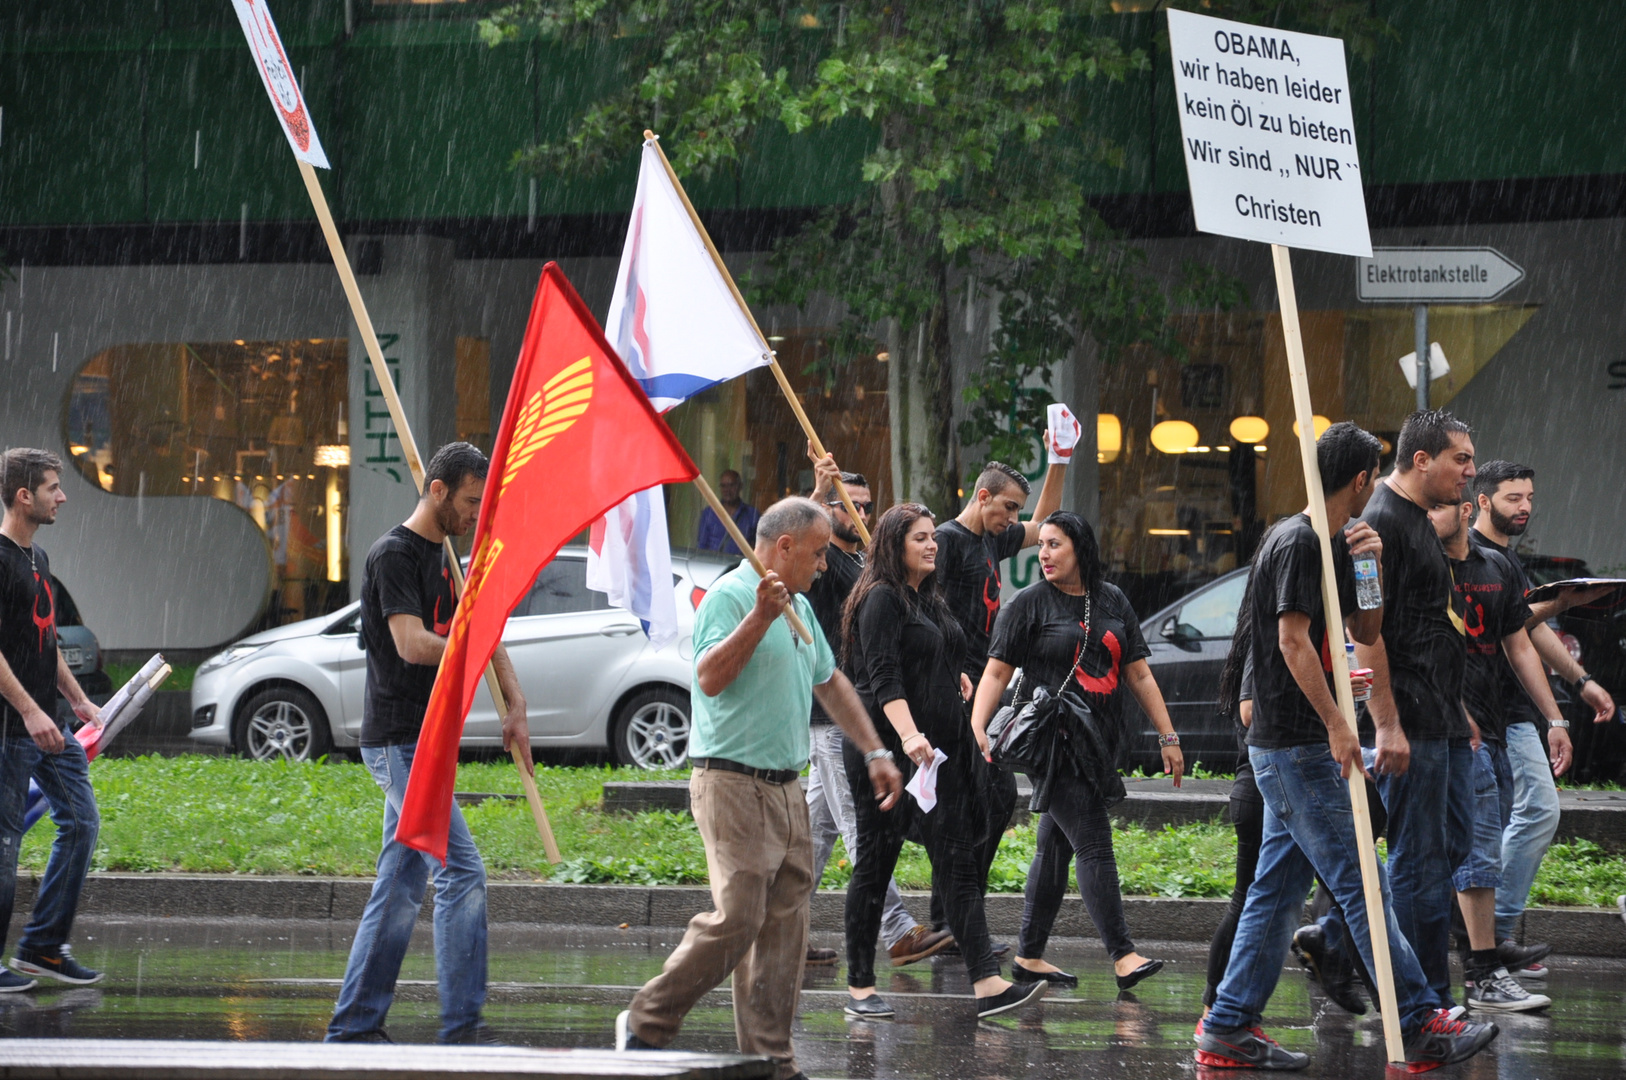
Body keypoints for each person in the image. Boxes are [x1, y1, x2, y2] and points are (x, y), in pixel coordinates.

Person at [1196, 421, 1498, 1072]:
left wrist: (1368, 566)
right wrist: (1340, 726)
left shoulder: (1341, 543)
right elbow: (1292, 641)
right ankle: (1419, 1021)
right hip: (1294, 747)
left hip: (1296, 747)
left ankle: (1227, 1025)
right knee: (1365, 885)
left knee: (1275, 893)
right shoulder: (1298, 540)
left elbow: (1365, 629)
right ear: (1361, 480)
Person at [615, 497, 903, 1080]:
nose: (826, 565)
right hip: (730, 781)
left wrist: (874, 749)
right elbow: (709, 679)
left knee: (783, 931)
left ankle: (771, 1057)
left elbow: (831, 682)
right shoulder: (731, 595)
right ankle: (646, 1021)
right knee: (741, 917)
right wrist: (758, 618)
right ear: (785, 546)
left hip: (787, 785)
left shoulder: (797, 605)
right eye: (819, 553)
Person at [326, 442, 531, 1045]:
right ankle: (463, 1026)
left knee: (400, 883)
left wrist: (514, 703)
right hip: (398, 742)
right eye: (469, 501)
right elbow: (413, 644)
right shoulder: (394, 554)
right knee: (463, 872)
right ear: (437, 491)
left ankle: (356, 1024)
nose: (474, 514)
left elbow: (486, 630)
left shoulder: (449, 554)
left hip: (426, 741)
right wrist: (474, 658)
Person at [840, 504, 1040, 1020]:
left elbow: (933, 654)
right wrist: (907, 739)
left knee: (955, 862)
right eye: (920, 539)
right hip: (888, 750)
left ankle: (987, 983)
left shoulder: (923, 596)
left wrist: (957, 676)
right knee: (876, 860)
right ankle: (860, 986)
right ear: (894, 545)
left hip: (936, 755)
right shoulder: (881, 598)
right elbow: (883, 678)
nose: (932, 545)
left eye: (933, 537)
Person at [970, 511, 1182, 992]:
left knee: (1055, 847)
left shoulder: (1111, 600)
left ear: (1080, 548)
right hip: (1053, 741)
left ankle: (1028, 955)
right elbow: (997, 674)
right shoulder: (1028, 605)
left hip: (1098, 743)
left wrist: (1168, 737)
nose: (1043, 554)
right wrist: (977, 726)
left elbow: (1140, 673)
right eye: (1040, 544)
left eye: (1054, 545)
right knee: (1092, 840)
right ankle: (1123, 954)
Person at [1350, 409, 1476, 1008]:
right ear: (1421, 459)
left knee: (1452, 846)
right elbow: (1366, 633)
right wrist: (1387, 724)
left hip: (1443, 717)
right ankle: (1422, 1002)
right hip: (1411, 722)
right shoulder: (1381, 521)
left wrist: (1461, 711)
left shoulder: (1421, 520)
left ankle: (1338, 939)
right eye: (1462, 459)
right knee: (1419, 864)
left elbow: (1435, 620)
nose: (1470, 472)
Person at [1470, 460, 1617, 967]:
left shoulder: (1509, 562)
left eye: (1529, 497)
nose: (1525, 507)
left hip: (1514, 711)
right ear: (1483, 501)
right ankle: (1493, 939)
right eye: (1513, 497)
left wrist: (1582, 682)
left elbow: (1530, 631)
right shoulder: (1473, 556)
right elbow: (1508, 627)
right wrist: (1564, 603)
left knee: (1512, 819)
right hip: (1488, 712)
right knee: (1517, 818)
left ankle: (1493, 937)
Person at [802, 450, 942, 969]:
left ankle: (778, 930)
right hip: (834, 717)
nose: (858, 514)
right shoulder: (818, 561)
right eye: (847, 506)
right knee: (864, 831)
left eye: (865, 505)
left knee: (813, 840)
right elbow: (782, 538)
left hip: (849, 715)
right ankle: (898, 930)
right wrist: (817, 495)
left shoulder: (864, 563)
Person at [1429, 498, 1559, 1011]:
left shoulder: (1495, 565)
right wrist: (1454, 709)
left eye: (1438, 507)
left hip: (1495, 729)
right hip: (1451, 733)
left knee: (1465, 850)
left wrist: (1557, 718)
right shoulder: (1423, 564)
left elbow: (1520, 643)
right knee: (1475, 852)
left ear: (1465, 510)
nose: (1428, 516)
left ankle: (1453, 968)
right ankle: (1482, 973)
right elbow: (1412, 646)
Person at [934, 451, 1067, 940]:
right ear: (982, 496)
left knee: (986, 799)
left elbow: (1042, 524)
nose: (1014, 520)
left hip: (979, 688)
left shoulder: (993, 537)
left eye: (1016, 511)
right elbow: (926, 609)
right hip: (955, 686)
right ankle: (952, 914)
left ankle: (955, 913)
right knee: (984, 796)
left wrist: (1060, 458)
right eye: (1008, 508)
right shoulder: (946, 542)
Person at [0, 448, 103, 990]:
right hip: (10, 729)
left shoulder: (37, 561)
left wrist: (78, 700)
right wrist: (29, 708)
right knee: (3, 844)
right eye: (51, 488)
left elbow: (45, 642)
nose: (61, 496)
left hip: (49, 727)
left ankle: (42, 947)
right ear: (24, 496)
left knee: (82, 822)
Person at [697, 469, 760, 555]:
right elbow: (702, 546)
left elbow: (758, 547)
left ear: (740, 486)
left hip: (740, 566)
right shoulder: (708, 514)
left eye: (731, 485)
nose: (727, 490)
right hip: (714, 566)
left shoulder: (752, 514)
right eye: (723, 486)